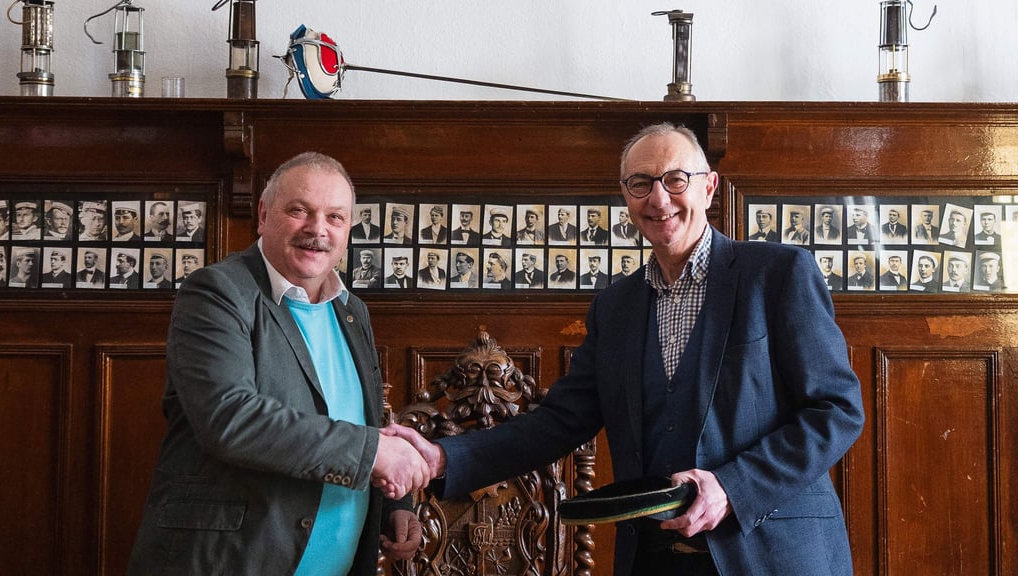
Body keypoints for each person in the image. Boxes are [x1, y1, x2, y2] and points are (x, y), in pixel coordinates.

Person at [386, 122, 864, 576]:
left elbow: (837, 410)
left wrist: (732, 488)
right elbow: (559, 422)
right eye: (641, 183)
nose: (659, 199)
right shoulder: (615, 307)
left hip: (769, 553)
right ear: (626, 197)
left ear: (709, 187)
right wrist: (441, 459)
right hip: (655, 559)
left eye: (676, 180)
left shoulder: (779, 275)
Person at [127, 152, 425, 575]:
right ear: (264, 215)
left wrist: (394, 503)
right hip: (230, 562)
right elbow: (230, 418)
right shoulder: (216, 292)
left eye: (335, 217)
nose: (317, 230)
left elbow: (363, 419)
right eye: (299, 210)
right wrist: (375, 452)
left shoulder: (352, 310)